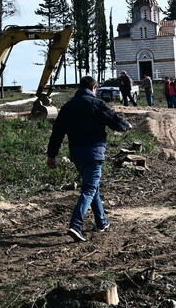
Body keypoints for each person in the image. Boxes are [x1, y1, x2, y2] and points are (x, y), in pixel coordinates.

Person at [46, 76, 132, 242]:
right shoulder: (97, 103)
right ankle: (76, 225)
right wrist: (126, 125)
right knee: (89, 190)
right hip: (94, 153)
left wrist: (51, 154)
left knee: (93, 187)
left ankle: (101, 221)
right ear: (94, 88)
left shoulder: (68, 106)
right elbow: (113, 118)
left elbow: (57, 132)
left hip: (77, 154)